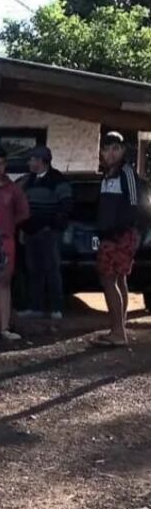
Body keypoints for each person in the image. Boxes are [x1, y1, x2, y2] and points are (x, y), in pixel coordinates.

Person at [93, 132, 142, 348]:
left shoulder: (126, 173)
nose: (110, 153)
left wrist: (121, 231)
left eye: (115, 148)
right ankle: (117, 328)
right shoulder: (107, 176)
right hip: (109, 235)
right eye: (106, 149)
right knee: (118, 280)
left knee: (109, 280)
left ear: (122, 150)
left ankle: (118, 332)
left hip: (120, 236)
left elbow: (134, 205)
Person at [20, 146, 72, 320]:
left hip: (49, 233)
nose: (29, 162)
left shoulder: (58, 181)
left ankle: (56, 308)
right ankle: (35, 307)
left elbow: (66, 207)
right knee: (34, 270)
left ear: (42, 161)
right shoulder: (29, 180)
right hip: (30, 232)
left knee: (51, 269)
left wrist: (53, 226)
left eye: (32, 159)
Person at [0, 148, 30, 341]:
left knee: (4, 282)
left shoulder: (13, 189)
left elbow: (24, 213)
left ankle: (4, 327)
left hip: (5, 239)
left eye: (1, 163)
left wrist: (9, 224)